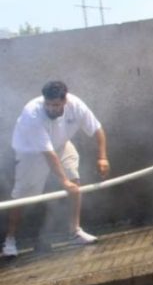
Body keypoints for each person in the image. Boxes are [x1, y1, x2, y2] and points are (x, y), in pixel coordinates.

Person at [3, 81, 109, 258]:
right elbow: (48, 153)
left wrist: (102, 157)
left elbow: (97, 129)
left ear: (65, 101)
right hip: (32, 152)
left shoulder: (76, 105)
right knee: (22, 196)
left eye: (56, 105)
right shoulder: (32, 113)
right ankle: (10, 240)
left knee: (74, 182)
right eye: (48, 104)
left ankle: (74, 232)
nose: (51, 108)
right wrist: (63, 181)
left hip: (60, 145)